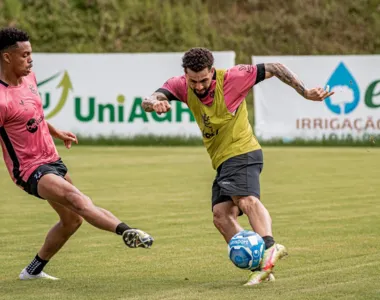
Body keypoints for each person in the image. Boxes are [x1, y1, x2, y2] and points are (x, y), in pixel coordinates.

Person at [142, 47, 333, 286]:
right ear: (185, 75)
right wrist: (154, 104)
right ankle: (261, 267)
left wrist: (304, 92)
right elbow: (149, 99)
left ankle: (270, 247)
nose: (199, 86)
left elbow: (274, 67)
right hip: (222, 160)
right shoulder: (179, 85)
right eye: (194, 81)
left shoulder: (233, 77)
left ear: (212, 71)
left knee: (245, 199)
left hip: (242, 151)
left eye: (204, 80)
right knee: (221, 216)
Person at [0, 27, 154, 281]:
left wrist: (56, 131)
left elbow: (32, 115)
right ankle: (126, 231)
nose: (30, 60)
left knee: (72, 220)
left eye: (31, 54)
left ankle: (32, 271)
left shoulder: (30, 79)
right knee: (77, 199)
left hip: (52, 159)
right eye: (24, 55)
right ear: (7, 57)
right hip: (29, 170)